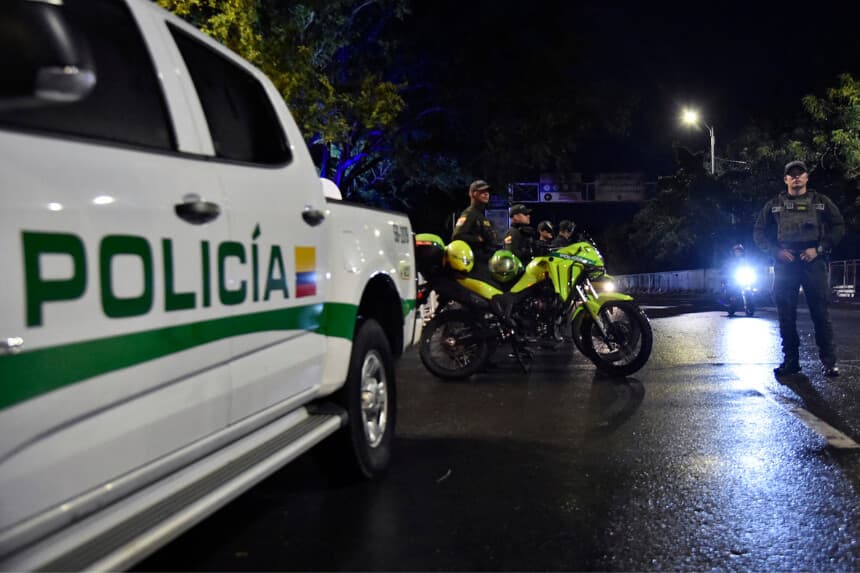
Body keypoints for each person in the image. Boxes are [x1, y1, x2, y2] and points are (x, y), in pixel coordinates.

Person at [753, 160, 845, 377]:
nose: (796, 177)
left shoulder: (820, 201)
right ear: (785, 179)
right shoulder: (774, 204)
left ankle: (829, 363)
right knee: (786, 316)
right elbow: (758, 231)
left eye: (799, 173)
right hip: (786, 263)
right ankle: (791, 361)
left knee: (820, 314)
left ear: (806, 178)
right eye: (791, 174)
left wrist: (820, 249)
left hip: (813, 262)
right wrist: (776, 252)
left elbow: (838, 225)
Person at [451, 179, 499, 261]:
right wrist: (479, 239)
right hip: (474, 262)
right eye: (482, 191)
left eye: (487, 191)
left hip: (485, 260)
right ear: (472, 194)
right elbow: (457, 236)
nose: (486, 194)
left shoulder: (481, 215)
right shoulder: (469, 213)